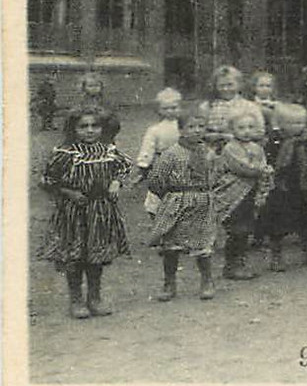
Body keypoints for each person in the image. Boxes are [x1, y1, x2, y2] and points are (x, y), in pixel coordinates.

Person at [42, 108, 130, 319]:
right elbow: (47, 179)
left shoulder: (108, 150)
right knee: (75, 256)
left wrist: (116, 182)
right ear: (74, 128)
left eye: (94, 126)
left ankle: (94, 297)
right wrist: (69, 192)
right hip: (74, 211)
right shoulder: (66, 152)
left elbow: (124, 166)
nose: (90, 131)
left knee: (96, 257)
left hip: (100, 210)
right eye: (83, 126)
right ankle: (76, 299)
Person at [146, 112, 222, 301]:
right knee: (171, 246)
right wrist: (172, 196)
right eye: (191, 127)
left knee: (203, 245)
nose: (197, 131)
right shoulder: (170, 154)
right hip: (177, 203)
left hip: (202, 203)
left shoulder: (208, 153)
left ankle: (207, 281)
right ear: (180, 130)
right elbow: (155, 180)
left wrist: (207, 193)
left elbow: (217, 175)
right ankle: (169, 284)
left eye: (201, 126)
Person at [257, 102, 307, 270]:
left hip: (305, 190)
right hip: (282, 190)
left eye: (300, 123)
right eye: (291, 123)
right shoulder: (274, 144)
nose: (297, 127)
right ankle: (276, 256)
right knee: (278, 225)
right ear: (279, 124)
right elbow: (266, 161)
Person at [217, 104, 272, 280]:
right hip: (234, 193)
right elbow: (242, 167)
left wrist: (262, 168)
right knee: (237, 229)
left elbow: (262, 162)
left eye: (250, 127)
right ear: (232, 129)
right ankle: (232, 265)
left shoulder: (256, 147)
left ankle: (239, 262)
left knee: (246, 229)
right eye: (241, 128)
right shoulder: (230, 148)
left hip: (250, 192)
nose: (246, 131)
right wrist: (261, 170)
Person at [134, 87, 184, 218]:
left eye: (174, 107)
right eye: (166, 108)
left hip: (182, 162)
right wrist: (144, 165)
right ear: (159, 110)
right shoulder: (155, 130)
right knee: (158, 190)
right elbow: (148, 147)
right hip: (162, 162)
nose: (170, 111)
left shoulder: (184, 126)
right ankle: (156, 213)